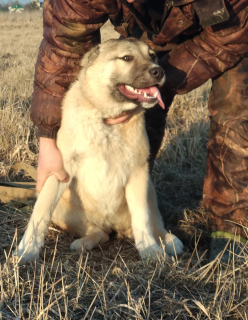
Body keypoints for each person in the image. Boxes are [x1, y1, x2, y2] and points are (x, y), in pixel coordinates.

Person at [30, 0, 248, 262]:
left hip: (227, 32)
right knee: (138, 116)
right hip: (151, 31)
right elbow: (63, 44)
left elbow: (231, 35)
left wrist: (160, 80)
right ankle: (131, 210)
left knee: (237, 110)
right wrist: (48, 137)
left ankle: (232, 230)